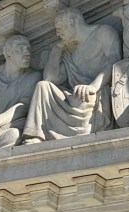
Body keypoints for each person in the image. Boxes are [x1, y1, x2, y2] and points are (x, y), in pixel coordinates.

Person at [22, 8, 121, 144]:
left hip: (95, 94)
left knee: (81, 100)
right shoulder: (70, 50)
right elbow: (50, 79)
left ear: (72, 22)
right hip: (75, 96)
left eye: (59, 28)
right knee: (42, 86)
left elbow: (114, 62)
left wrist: (92, 87)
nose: (57, 33)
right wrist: (57, 49)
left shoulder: (103, 32)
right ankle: (35, 136)